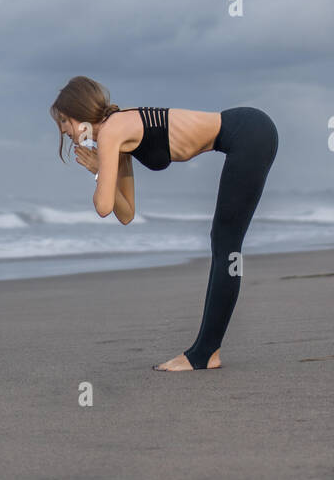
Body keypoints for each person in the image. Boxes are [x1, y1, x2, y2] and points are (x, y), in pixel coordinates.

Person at [50, 76, 278, 370]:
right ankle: (205, 351)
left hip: (250, 133)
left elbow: (103, 206)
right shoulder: (115, 132)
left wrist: (98, 170)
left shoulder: (111, 133)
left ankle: (205, 354)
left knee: (227, 245)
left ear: (79, 115)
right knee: (224, 244)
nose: (63, 130)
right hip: (248, 132)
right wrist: (102, 171)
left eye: (64, 121)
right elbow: (126, 212)